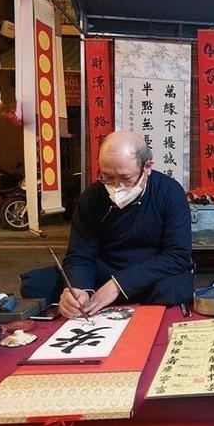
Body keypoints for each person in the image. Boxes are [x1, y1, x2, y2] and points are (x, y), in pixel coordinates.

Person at [59, 131, 193, 318]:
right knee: (41, 283)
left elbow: (177, 255)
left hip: (151, 274)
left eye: (125, 178)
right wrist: (79, 289)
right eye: (107, 177)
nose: (116, 186)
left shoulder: (170, 193)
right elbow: (80, 254)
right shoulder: (92, 197)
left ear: (147, 167)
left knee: (172, 288)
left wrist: (118, 284)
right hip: (106, 271)